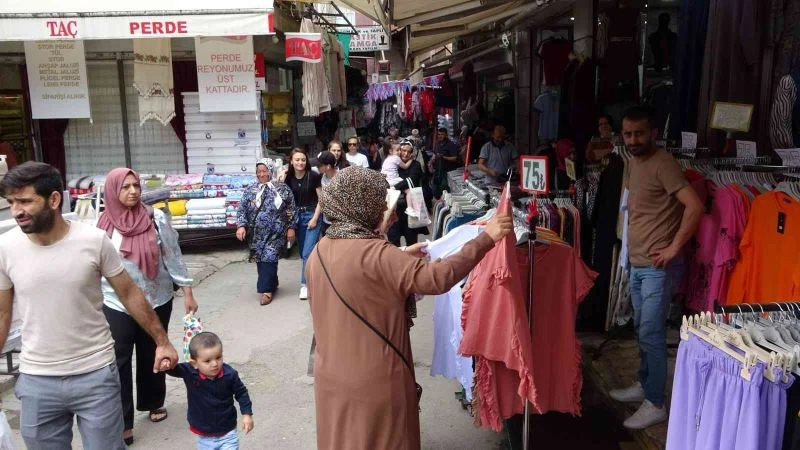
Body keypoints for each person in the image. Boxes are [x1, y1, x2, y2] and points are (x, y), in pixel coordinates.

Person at [306, 166, 512, 450]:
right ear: (360, 205)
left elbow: (355, 274)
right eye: (379, 203)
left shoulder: (319, 252)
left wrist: (401, 255)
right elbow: (437, 278)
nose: (385, 211)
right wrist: (486, 238)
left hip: (331, 376)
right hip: (374, 378)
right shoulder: (379, 254)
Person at [0, 161, 178, 449]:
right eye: (11, 202)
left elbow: (129, 293)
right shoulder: (6, 248)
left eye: (25, 201)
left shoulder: (93, 240)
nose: (16, 210)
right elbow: (2, 313)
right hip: (36, 380)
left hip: (95, 374)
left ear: (54, 200)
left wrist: (162, 341)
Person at [608, 106, 702, 429]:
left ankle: (656, 402)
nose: (633, 140)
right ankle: (644, 384)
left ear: (653, 133)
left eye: (639, 134)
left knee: (651, 331)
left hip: (658, 267)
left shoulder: (664, 164)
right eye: (627, 134)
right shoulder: (632, 163)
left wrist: (675, 247)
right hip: (638, 264)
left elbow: (695, 205)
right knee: (641, 330)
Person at [98, 168, 199, 445]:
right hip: (115, 301)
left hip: (157, 297)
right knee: (118, 359)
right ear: (112, 192)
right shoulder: (103, 226)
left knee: (152, 351)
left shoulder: (156, 219)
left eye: (136, 186)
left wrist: (187, 290)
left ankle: (153, 401)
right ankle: (124, 420)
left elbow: (173, 256)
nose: (132, 191)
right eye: (125, 187)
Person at [168, 332, 253, 450]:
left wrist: (247, 414)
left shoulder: (230, 375)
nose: (214, 364)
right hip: (204, 435)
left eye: (218, 357)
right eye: (207, 361)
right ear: (194, 363)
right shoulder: (190, 372)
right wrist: (166, 364)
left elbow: (242, 393)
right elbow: (174, 369)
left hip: (228, 432)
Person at [236, 159, 298, 306]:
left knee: (269, 257)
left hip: (276, 231)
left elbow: (291, 209)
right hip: (256, 234)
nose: (262, 174)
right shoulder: (251, 190)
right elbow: (242, 209)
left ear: (270, 171)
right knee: (261, 260)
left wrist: (291, 228)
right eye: (259, 172)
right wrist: (241, 226)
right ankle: (272, 282)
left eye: (264, 171)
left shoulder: (282, 188)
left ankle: (266, 291)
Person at [284, 149, 323, 301]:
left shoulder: (313, 176)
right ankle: (315, 277)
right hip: (296, 217)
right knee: (303, 254)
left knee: (307, 252)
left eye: (303, 160)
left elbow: (322, 199)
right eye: (297, 160)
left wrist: (315, 218)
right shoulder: (288, 178)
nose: (300, 163)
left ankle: (304, 285)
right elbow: (284, 200)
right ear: (292, 161)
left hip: (312, 215)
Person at [387, 142, 428, 247]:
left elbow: (411, 180)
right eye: (403, 151)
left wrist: (394, 187)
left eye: (408, 152)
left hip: (410, 208)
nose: (405, 154)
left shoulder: (415, 165)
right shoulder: (393, 163)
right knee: (393, 240)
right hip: (394, 208)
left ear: (412, 153)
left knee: (411, 240)